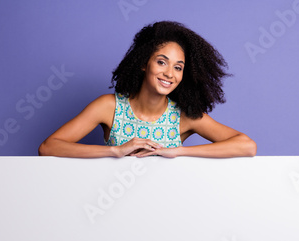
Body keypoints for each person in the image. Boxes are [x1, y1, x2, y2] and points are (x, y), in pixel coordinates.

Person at [39, 21, 256, 158]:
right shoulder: (109, 106)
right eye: (162, 62)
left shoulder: (183, 116)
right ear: (144, 63)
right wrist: (116, 151)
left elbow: (246, 146)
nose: (170, 73)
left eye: (178, 67)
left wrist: (179, 152)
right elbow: (48, 147)